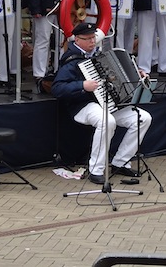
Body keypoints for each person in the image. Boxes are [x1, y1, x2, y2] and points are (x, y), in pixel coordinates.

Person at [52, 22, 151, 185]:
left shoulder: (99, 55)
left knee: (143, 118)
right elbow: (57, 88)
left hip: (108, 102)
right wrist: (82, 85)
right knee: (107, 121)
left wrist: (136, 74)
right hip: (83, 105)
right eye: (88, 39)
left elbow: (116, 77)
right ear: (77, 40)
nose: (93, 42)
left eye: (94, 38)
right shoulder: (70, 60)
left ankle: (121, 162)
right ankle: (95, 170)